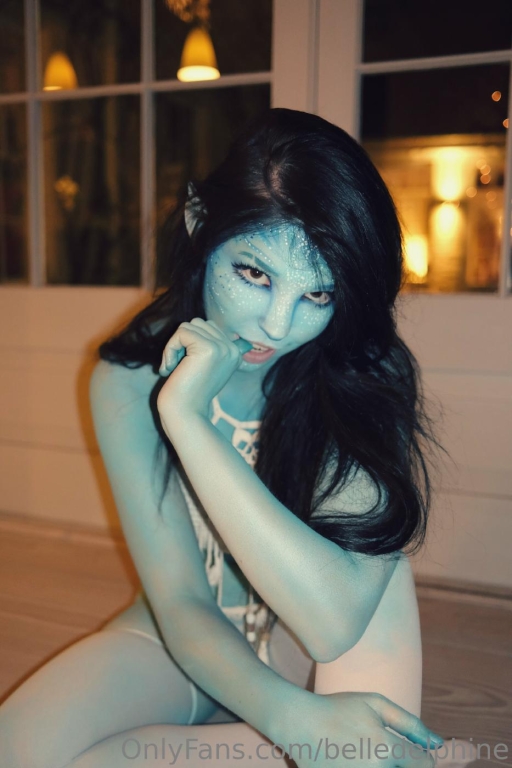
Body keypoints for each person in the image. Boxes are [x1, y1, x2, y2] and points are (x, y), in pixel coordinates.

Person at [1, 108, 453, 768]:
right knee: (15, 749)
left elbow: (333, 621)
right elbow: (181, 600)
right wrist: (290, 720)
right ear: (198, 221)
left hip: (322, 635)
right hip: (187, 639)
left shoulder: (364, 373)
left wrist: (191, 427)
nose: (277, 324)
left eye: (318, 295)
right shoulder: (126, 380)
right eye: (255, 274)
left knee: (372, 575)